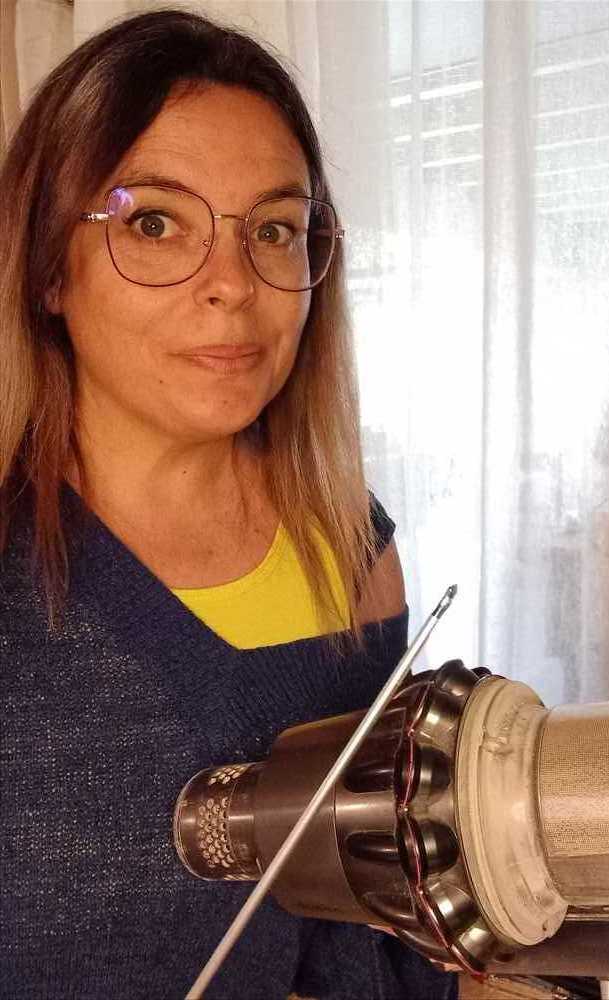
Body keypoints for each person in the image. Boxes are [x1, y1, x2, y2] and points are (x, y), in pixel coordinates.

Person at [0, 10, 457, 1000]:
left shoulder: (351, 548)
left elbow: (387, 911)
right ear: (47, 267)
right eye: (154, 222)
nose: (233, 286)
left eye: (274, 231)